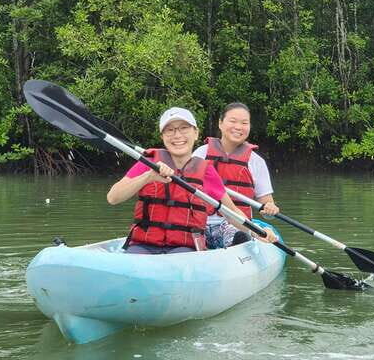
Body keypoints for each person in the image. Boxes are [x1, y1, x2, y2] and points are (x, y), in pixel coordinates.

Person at [107, 106, 278, 254]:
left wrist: (258, 233)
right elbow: (113, 198)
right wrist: (148, 177)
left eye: (184, 128)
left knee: (180, 257)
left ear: (195, 133)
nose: (177, 135)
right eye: (170, 130)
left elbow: (232, 213)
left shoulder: (205, 171)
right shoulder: (149, 162)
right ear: (162, 136)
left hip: (183, 248)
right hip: (144, 245)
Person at [192, 102, 280, 249]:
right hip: (200, 222)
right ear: (220, 123)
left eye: (244, 123)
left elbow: (266, 207)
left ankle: (240, 246)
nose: (238, 127)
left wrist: (270, 210)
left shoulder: (256, 161)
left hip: (236, 223)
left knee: (238, 235)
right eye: (232, 121)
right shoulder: (200, 154)